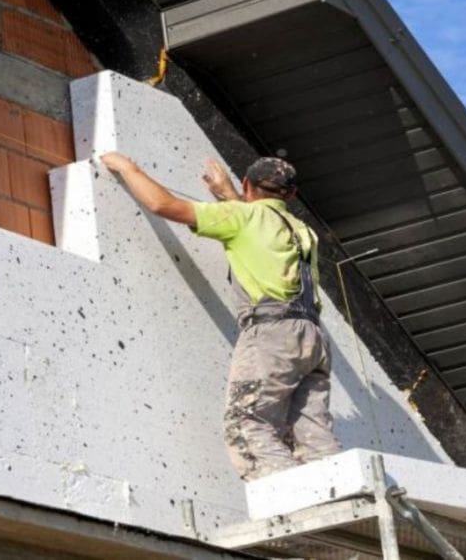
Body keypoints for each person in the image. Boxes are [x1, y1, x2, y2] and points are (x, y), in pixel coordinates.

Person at [100, 151, 341, 479]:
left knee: (247, 424)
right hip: (313, 338)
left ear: (247, 184)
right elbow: (260, 223)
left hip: (272, 334)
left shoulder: (242, 218)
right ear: (292, 195)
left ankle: (294, 501)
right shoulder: (302, 230)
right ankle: (343, 498)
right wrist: (231, 195)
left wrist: (129, 166)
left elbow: (164, 206)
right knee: (313, 436)